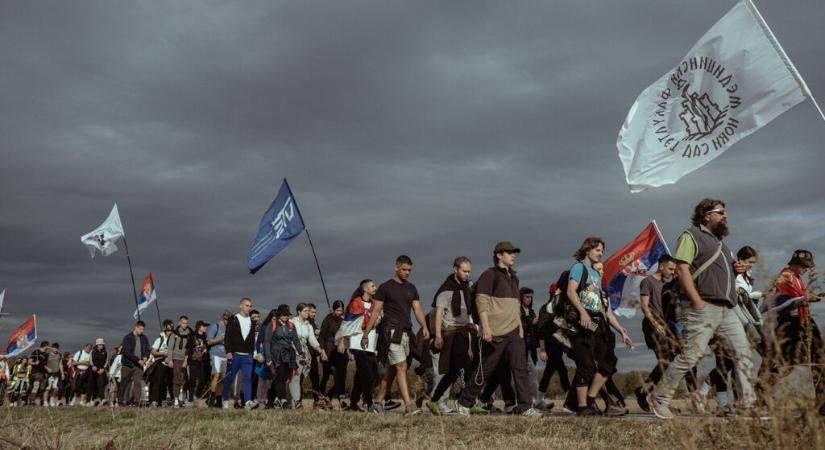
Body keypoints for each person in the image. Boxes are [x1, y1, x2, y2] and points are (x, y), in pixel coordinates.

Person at [649, 198, 758, 419]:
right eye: (721, 212)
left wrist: (735, 269)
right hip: (702, 305)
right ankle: (659, 397)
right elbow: (682, 268)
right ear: (706, 215)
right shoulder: (691, 236)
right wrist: (696, 299)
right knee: (691, 355)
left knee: (743, 352)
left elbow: (718, 274)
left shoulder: (722, 245)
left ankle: (747, 404)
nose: (725, 216)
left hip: (726, 309)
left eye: (725, 212)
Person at [457, 242, 542, 417]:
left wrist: (519, 327)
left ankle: (525, 406)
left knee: (520, 368)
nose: (513, 255)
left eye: (514, 253)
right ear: (499, 255)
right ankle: (464, 402)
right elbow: (482, 301)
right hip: (495, 332)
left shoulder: (514, 278)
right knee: (486, 368)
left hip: (513, 332)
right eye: (509, 253)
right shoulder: (490, 275)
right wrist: (485, 326)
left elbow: (515, 305)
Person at [565, 241, 632, 416]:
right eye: (597, 250)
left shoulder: (596, 273)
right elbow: (571, 291)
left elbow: (606, 311)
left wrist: (621, 330)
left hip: (599, 323)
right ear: (587, 250)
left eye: (602, 250)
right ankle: (582, 407)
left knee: (608, 363)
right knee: (585, 365)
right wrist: (582, 313)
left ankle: (591, 398)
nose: (600, 253)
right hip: (584, 321)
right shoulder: (579, 268)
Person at [361, 255, 430, 417]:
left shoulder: (411, 288)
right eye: (404, 269)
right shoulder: (385, 288)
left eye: (409, 270)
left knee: (392, 370)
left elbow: (418, 310)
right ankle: (409, 406)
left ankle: (377, 403)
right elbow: (375, 311)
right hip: (390, 332)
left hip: (406, 333)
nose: (407, 273)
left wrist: (424, 326)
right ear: (396, 267)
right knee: (401, 367)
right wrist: (366, 334)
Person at [764, 249, 824, 416]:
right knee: (790, 363)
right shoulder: (785, 277)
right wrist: (803, 300)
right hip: (791, 325)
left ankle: (822, 404)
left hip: (802, 323)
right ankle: (761, 391)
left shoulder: (797, 278)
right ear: (795, 264)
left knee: (815, 360)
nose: (806, 270)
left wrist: (809, 298)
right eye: (804, 266)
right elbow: (779, 304)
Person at [425, 256, 477, 415]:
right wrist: (438, 336)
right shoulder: (445, 290)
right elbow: (439, 313)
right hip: (450, 333)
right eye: (464, 271)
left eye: (469, 271)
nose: (467, 274)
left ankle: (433, 401)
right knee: (465, 367)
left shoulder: (467, 289)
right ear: (455, 269)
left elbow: (468, 315)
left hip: (463, 332)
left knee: (453, 372)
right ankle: (467, 402)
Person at [634, 254, 679, 410]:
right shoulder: (648, 282)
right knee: (666, 360)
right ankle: (652, 396)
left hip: (666, 326)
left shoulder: (666, 285)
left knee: (670, 361)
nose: (672, 272)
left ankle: (645, 392)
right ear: (661, 266)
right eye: (670, 269)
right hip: (652, 326)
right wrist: (655, 324)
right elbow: (644, 306)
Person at [337, 279, 381, 412]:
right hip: (357, 342)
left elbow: (378, 319)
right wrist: (342, 341)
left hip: (370, 341)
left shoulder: (375, 303)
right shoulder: (355, 303)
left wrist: (377, 320)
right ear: (365, 289)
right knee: (366, 372)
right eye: (372, 285)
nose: (375, 287)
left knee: (369, 372)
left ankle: (354, 402)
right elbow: (347, 323)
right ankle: (369, 402)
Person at [535, 283, 569, 408]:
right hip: (550, 346)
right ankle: (569, 397)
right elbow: (541, 331)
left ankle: (539, 399)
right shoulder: (546, 309)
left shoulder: (560, 309)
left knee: (549, 372)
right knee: (562, 370)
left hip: (558, 345)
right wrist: (542, 350)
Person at [289, 303, 327, 408]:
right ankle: (296, 401)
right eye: (305, 311)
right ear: (299, 312)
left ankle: (295, 400)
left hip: (304, 353)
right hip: (292, 351)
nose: (308, 313)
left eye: (308, 311)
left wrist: (321, 351)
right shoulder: (292, 322)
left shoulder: (308, 325)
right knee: (295, 376)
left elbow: (312, 340)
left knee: (300, 377)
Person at [223, 297, 256, 409]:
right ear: (241, 305)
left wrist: (253, 353)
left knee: (247, 378)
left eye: (250, 306)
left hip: (248, 356)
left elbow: (252, 339)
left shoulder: (252, 321)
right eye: (247, 305)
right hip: (235, 354)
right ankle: (225, 400)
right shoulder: (233, 319)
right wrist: (228, 352)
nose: (249, 308)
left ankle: (247, 401)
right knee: (229, 378)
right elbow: (227, 337)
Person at [319, 300, 348, 409]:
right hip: (328, 349)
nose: (339, 312)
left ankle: (339, 398)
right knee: (326, 376)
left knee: (341, 376)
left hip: (340, 351)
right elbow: (321, 336)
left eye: (341, 310)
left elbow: (347, 333)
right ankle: (321, 398)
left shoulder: (344, 320)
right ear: (333, 309)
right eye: (337, 310)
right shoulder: (328, 319)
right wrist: (322, 351)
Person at [166, 315, 195, 408]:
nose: (185, 325)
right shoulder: (174, 334)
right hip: (176, 358)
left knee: (187, 379)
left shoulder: (190, 333)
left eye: (186, 323)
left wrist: (186, 360)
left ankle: (185, 399)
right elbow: (170, 348)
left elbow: (190, 348)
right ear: (179, 323)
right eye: (183, 323)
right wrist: (170, 360)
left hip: (187, 359)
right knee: (176, 379)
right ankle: (176, 399)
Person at [120, 320, 150, 406]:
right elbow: (127, 352)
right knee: (125, 383)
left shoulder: (144, 338)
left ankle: (137, 401)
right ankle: (121, 400)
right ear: (136, 327)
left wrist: (145, 357)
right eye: (140, 329)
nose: (142, 331)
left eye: (143, 329)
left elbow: (147, 350)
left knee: (138, 383)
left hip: (139, 366)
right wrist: (137, 360)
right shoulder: (127, 337)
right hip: (128, 364)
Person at [207, 310, 231, 405]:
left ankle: (219, 398)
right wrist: (220, 340)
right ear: (223, 318)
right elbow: (208, 342)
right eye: (226, 319)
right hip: (215, 354)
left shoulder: (230, 328)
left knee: (223, 378)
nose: (227, 322)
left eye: (229, 320)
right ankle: (212, 396)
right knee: (216, 375)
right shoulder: (215, 326)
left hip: (225, 355)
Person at [150, 320, 173, 407]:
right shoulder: (160, 339)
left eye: (171, 330)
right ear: (164, 330)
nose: (169, 332)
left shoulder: (173, 340)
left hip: (170, 364)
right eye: (167, 330)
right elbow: (153, 351)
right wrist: (163, 353)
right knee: (158, 382)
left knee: (167, 383)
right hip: (160, 362)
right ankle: (154, 400)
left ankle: (163, 401)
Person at [189, 320, 209, 404]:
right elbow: (188, 348)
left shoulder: (205, 337)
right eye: (204, 326)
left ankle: (196, 395)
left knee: (202, 381)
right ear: (199, 327)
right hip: (193, 361)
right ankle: (190, 399)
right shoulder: (192, 336)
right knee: (192, 380)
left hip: (202, 362)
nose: (206, 328)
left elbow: (207, 348)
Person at [87, 338, 108, 406]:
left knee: (101, 385)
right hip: (93, 370)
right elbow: (90, 360)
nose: (101, 345)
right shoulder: (93, 351)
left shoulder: (105, 352)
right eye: (99, 344)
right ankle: (88, 401)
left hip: (101, 370)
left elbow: (106, 361)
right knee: (92, 385)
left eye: (102, 344)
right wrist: (93, 366)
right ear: (97, 345)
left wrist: (103, 368)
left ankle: (102, 399)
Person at [43, 342, 64, 407]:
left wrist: (62, 373)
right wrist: (47, 368)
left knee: (56, 388)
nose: (56, 350)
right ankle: (45, 402)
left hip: (56, 374)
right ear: (52, 348)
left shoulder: (59, 355)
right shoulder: (47, 354)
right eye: (54, 348)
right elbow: (43, 364)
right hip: (48, 374)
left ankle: (51, 400)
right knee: (47, 389)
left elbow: (60, 364)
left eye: (57, 348)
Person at [30, 341, 50, 406]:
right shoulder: (35, 352)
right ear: (46, 346)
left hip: (43, 373)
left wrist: (47, 369)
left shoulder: (45, 354)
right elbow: (29, 362)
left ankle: (41, 402)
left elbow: (44, 364)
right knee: (36, 386)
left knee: (42, 388)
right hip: (36, 372)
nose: (48, 348)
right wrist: (35, 363)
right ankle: (32, 401)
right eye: (48, 346)